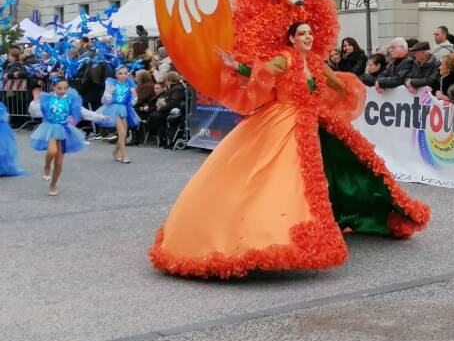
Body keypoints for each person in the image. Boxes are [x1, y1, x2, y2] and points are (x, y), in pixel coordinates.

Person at [149, 21, 430, 278]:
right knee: (281, 178)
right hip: (282, 121)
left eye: (310, 33)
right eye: (302, 34)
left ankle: (346, 214)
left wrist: (335, 103)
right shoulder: (284, 59)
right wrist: (236, 65)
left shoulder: (318, 64)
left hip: (313, 120)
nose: (308, 37)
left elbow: (341, 84)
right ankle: (269, 234)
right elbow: (260, 73)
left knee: (340, 164)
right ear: (291, 39)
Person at [29, 77, 109, 196]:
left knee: (59, 163)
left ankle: (53, 184)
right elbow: (35, 112)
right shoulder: (47, 98)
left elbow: (83, 112)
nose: (62, 91)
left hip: (64, 130)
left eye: (65, 88)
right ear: (53, 87)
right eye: (59, 88)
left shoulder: (70, 99)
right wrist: (35, 101)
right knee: (52, 151)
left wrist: (100, 117)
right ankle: (46, 166)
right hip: (50, 127)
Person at [97, 65, 140, 164]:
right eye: (120, 73)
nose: (123, 75)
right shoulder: (111, 84)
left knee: (123, 134)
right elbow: (104, 101)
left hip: (124, 109)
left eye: (125, 73)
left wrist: (134, 95)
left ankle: (115, 151)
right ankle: (124, 155)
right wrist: (109, 93)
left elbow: (132, 103)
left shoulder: (130, 85)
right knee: (121, 132)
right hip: (113, 109)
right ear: (116, 75)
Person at [147, 71, 186, 148]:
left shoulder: (177, 88)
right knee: (154, 115)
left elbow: (173, 103)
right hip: (169, 109)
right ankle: (161, 138)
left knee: (154, 116)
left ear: (170, 80)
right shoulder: (175, 87)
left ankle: (159, 136)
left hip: (173, 110)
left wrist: (161, 108)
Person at [0, 100, 25, 176]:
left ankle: (3, 168)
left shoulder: (1, 106)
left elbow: (3, 116)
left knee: (3, 148)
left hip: (2, 129)